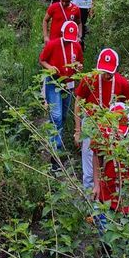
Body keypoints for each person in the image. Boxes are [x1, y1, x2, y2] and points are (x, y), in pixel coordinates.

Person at [73, 48, 129, 190]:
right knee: (89, 168)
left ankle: (107, 201)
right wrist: (77, 130)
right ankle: (91, 202)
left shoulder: (122, 83)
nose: (106, 75)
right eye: (103, 71)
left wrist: (126, 134)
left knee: (110, 166)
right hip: (91, 123)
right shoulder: (89, 79)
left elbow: (128, 107)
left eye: (109, 72)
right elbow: (78, 103)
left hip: (112, 126)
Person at [39, 20, 83, 167]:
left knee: (62, 116)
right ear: (62, 34)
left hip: (68, 85)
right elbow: (42, 59)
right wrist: (50, 67)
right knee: (57, 116)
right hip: (53, 83)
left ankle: (54, 137)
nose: (68, 42)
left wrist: (78, 67)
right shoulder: (53, 44)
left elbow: (79, 64)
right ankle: (55, 155)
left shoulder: (76, 46)